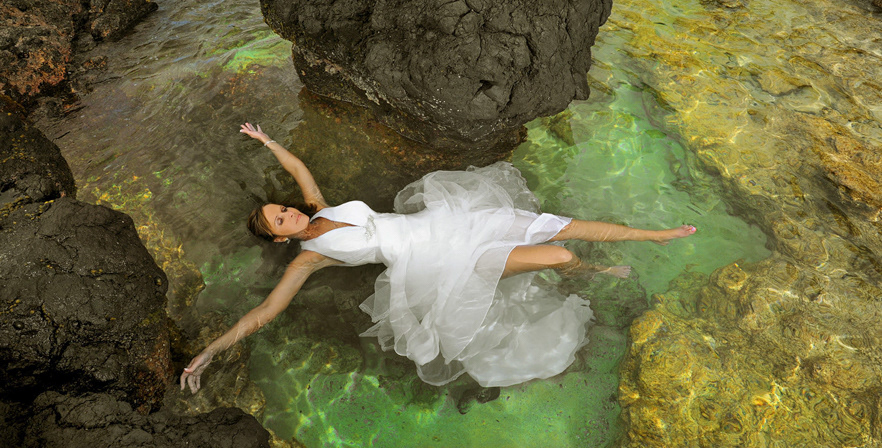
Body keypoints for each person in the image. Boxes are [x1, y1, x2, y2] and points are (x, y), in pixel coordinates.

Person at [180, 122, 696, 393]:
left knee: (559, 225)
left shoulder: (319, 207)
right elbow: (266, 311)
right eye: (280, 221)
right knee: (558, 255)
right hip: (443, 266)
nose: (289, 213)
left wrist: (267, 140)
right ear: (279, 241)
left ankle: (653, 236)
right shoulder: (308, 259)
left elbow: (298, 169)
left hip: (452, 221)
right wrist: (211, 351)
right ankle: (594, 271)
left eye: (281, 209)